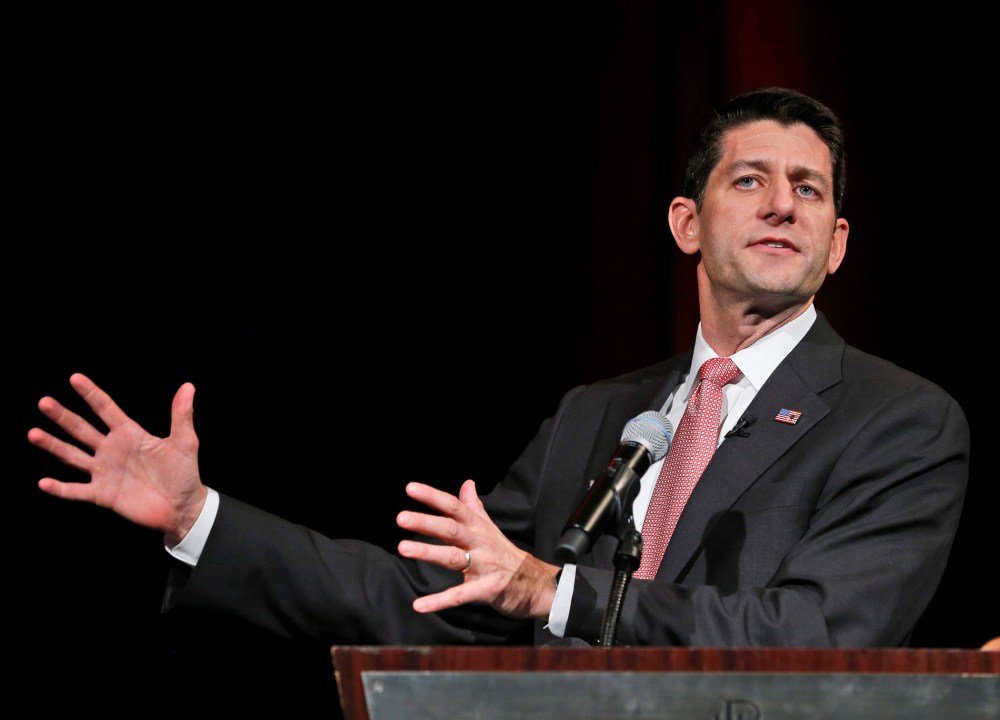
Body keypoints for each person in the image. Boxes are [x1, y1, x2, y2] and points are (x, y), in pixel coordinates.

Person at [29, 87, 970, 649]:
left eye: (808, 190)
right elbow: (439, 595)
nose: (782, 205)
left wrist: (552, 591)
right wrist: (202, 521)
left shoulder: (901, 421)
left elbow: (811, 637)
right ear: (688, 223)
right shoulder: (598, 416)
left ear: (838, 244)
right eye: (750, 180)